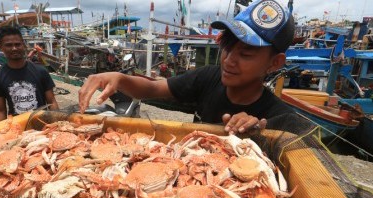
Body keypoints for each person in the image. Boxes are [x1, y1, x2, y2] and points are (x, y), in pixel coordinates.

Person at [79, 0, 296, 134]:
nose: (229, 60)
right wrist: (119, 78)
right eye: (227, 48)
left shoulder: (280, 118)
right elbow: (153, 89)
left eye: (246, 54)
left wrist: (256, 131)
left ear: (274, 62)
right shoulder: (209, 78)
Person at [0, 25, 59, 123]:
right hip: (16, 127)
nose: (14, 48)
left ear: (24, 45)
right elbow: (0, 110)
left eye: (17, 44)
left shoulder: (41, 71)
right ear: (0, 47)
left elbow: (51, 102)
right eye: (9, 45)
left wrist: (57, 123)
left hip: (43, 125)